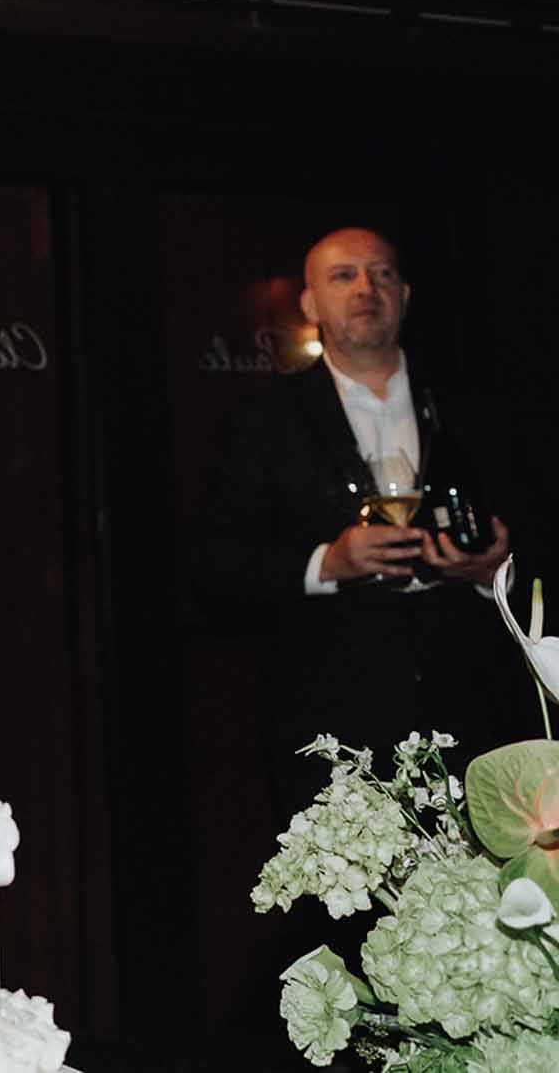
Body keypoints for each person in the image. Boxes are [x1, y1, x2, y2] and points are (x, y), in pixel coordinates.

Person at [197, 226, 524, 778]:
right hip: (331, 725)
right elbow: (213, 568)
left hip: (474, 716)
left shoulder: (479, 410)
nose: (365, 288)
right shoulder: (264, 422)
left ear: (405, 297)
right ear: (310, 303)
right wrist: (329, 563)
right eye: (343, 276)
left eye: (383, 273)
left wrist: (491, 572)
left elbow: (535, 531)